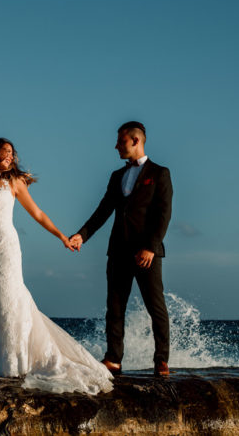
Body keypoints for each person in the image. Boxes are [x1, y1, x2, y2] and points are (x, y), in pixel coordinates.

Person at [0, 138, 113, 394]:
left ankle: (16, 364)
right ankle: (2, 362)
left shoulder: (14, 183)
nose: (10, 156)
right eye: (5, 151)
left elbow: (38, 214)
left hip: (5, 248)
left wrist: (63, 237)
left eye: (12, 153)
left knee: (11, 300)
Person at [69, 121, 173, 377]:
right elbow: (103, 210)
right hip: (117, 251)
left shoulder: (160, 173)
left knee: (155, 306)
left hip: (147, 254)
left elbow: (163, 214)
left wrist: (151, 247)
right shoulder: (117, 176)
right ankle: (113, 359)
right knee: (114, 307)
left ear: (135, 141)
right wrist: (82, 235)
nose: (116, 146)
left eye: (121, 141)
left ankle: (161, 360)